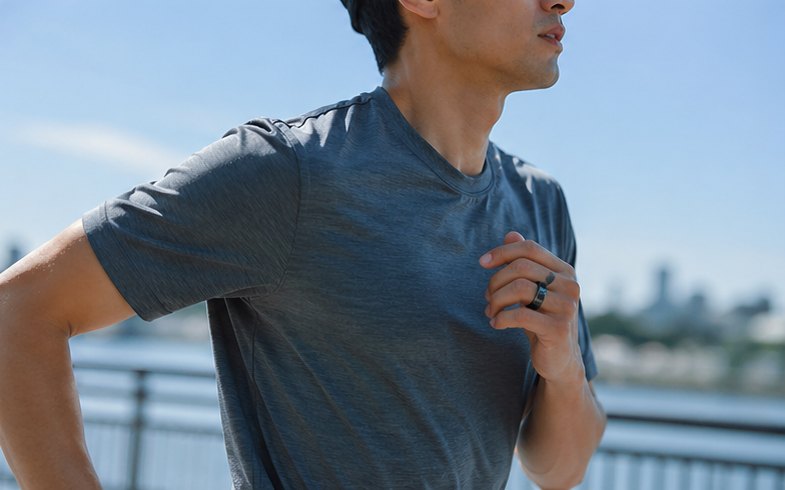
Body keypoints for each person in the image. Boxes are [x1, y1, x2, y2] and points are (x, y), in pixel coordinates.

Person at [0, 0, 606, 488]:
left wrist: (563, 366)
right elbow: (18, 311)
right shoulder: (289, 171)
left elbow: (560, 471)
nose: (565, 2)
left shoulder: (540, 205)